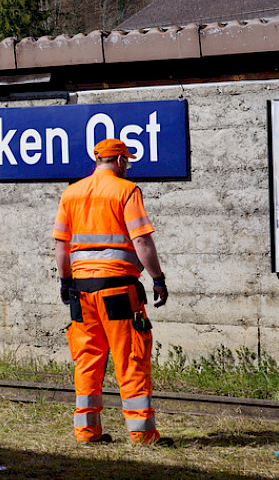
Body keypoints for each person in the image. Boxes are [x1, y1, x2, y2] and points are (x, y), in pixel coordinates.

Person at [52, 138, 170, 445]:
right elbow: (142, 242)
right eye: (126, 161)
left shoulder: (71, 192)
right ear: (119, 161)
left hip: (81, 291)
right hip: (118, 290)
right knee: (130, 356)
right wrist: (158, 278)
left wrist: (65, 281)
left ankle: (87, 432)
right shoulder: (126, 190)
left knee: (88, 358)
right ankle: (143, 435)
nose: (127, 166)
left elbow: (61, 245)